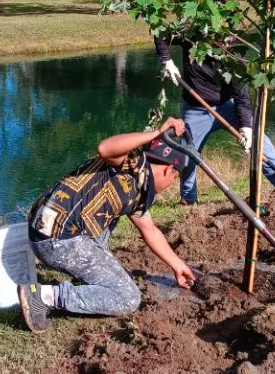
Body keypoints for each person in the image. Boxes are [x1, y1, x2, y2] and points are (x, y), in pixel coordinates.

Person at [17, 117, 196, 333]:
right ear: (168, 170)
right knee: (127, 297)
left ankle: (90, 279)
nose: (172, 184)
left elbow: (149, 230)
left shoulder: (140, 184)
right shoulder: (130, 163)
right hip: (57, 240)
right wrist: (156, 133)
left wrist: (178, 266)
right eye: (175, 178)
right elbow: (104, 148)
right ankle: (42, 296)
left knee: (114, 218)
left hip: (50, 231)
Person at [154, 34, 275, 205]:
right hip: (195, 109)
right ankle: (188, 199)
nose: (224, 43)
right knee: (188, 154)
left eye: (227, 41)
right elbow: (161, 33)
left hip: (227, 106)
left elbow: (241, 96)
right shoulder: (193, 35)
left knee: (258, 141)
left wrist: (246, 127)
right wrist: (166, 60)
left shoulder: (235, 56)